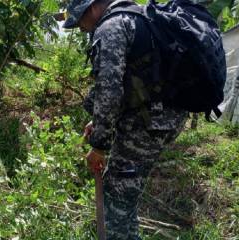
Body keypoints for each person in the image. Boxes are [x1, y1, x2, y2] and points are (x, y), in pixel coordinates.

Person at [63, 0, 188, 239]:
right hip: (164, 118)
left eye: (79, 19)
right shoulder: (139, 17)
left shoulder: (111, 27)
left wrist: (99, 146)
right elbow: (134, 82)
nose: (80, 27)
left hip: (148, 124)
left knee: (116, 195)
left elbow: (109, 91)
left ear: (92, 8)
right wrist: (99, 122)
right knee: (124, 192)